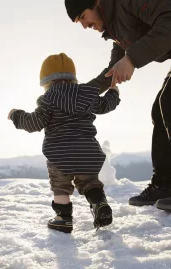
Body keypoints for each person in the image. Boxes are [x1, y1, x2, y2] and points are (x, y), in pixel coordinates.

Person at [64, 0, 171, 210]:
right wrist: (80, 95)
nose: (85, 26)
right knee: (160, 110)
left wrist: (131, 59)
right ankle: (164, 185)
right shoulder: (115, 28)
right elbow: (112, 71)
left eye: (83, 17)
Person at [8, 53, 120, 233]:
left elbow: (34, 123)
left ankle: (63, 219)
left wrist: (16, 115)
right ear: (73, 78)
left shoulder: (47, 99)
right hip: (88, 151)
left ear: (45, 82)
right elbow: (106, 105)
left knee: (61, 187)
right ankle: (100, 205)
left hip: (60, 154)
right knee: (90, 182)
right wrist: (113, 91)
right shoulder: (87, 94)